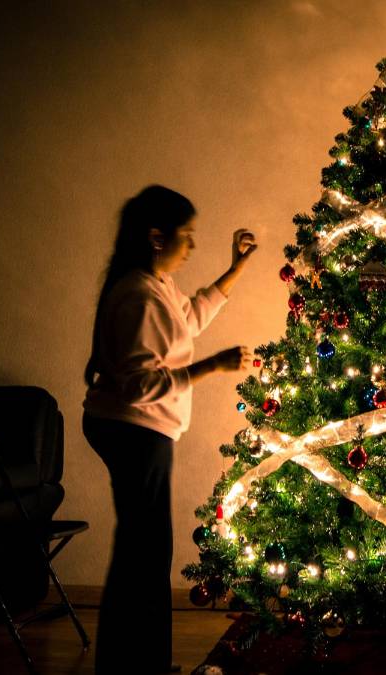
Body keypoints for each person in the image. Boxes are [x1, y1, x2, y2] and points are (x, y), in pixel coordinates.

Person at [81, 185, 256, 674]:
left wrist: (236, 268)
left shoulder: (156, 284)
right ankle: (137, 665)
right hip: (134, 430)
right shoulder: (138, 295)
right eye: (187, 235)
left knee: (143, 551)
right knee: (145, 554)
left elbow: (189, 318)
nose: (192, 245)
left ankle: (136, 663)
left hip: (139, 429)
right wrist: (211, 366)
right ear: (158, 238)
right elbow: (140, 385)